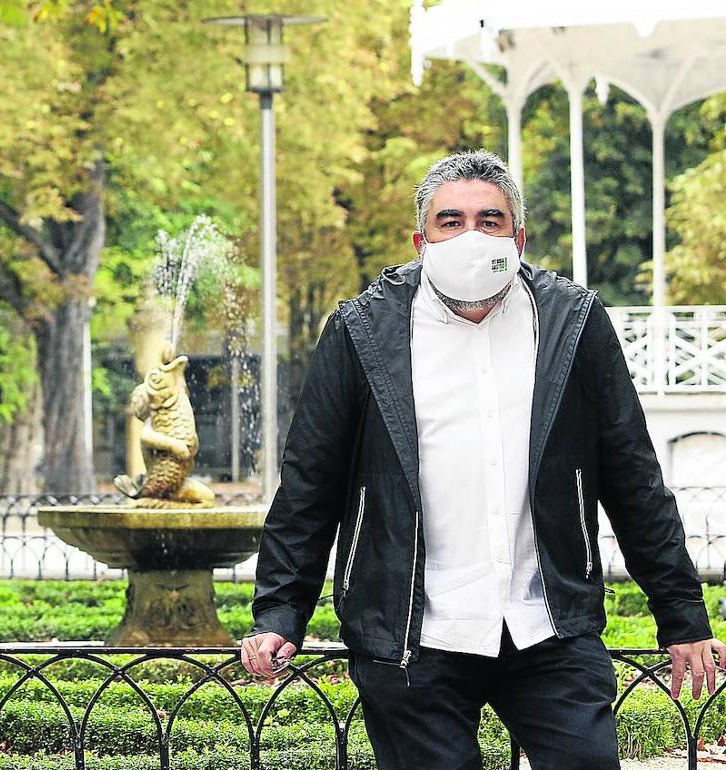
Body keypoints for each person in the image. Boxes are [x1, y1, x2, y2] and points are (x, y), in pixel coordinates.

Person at [241, 150, 725, 769]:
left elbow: (633, 477)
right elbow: (311, 483)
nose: (471, 235)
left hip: (548, 627)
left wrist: (681, 617)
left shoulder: (572, 322)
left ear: (518, 237)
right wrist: (281, 611)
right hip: (413, 639)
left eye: (490, 220)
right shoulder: (362, 329)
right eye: (451, 221)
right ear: (421, 239)